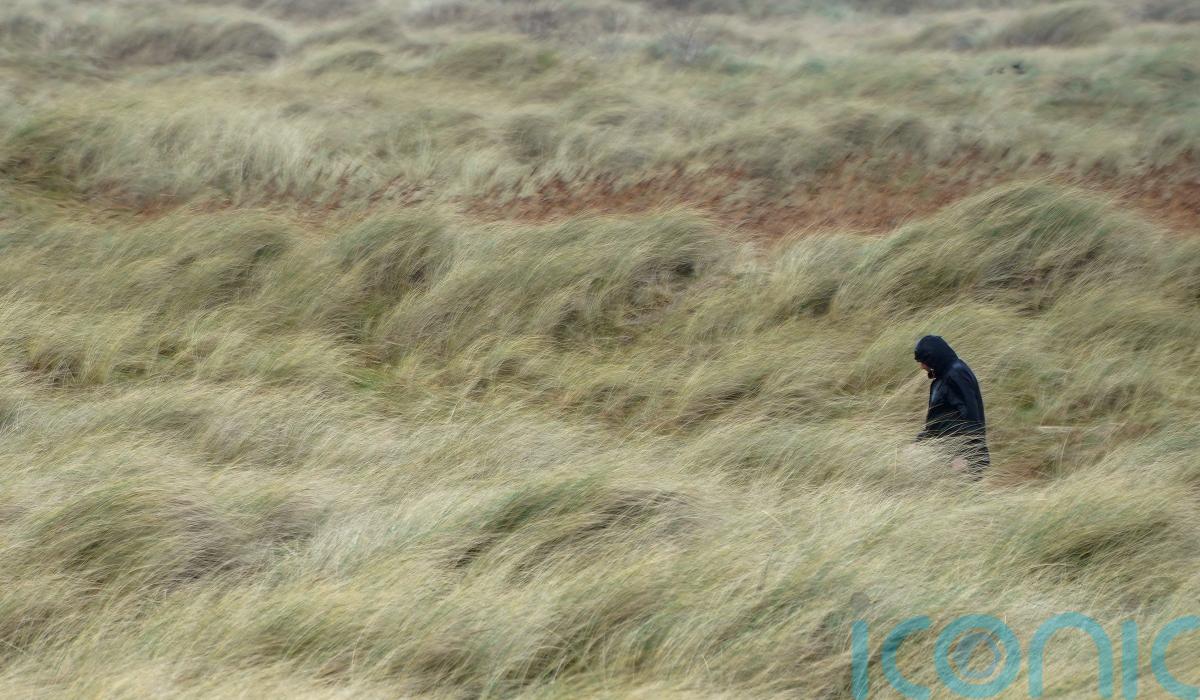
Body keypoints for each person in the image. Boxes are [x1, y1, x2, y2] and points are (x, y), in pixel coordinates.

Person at [914, 335, 989, 478]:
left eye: (923, 361)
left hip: (962, 460)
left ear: (933, 357)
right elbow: (940, 418)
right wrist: (920, 442)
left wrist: (963, 456)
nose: (922, 366)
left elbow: (971, 418)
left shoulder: (957, 374)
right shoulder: (943, 377)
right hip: (944, 453)